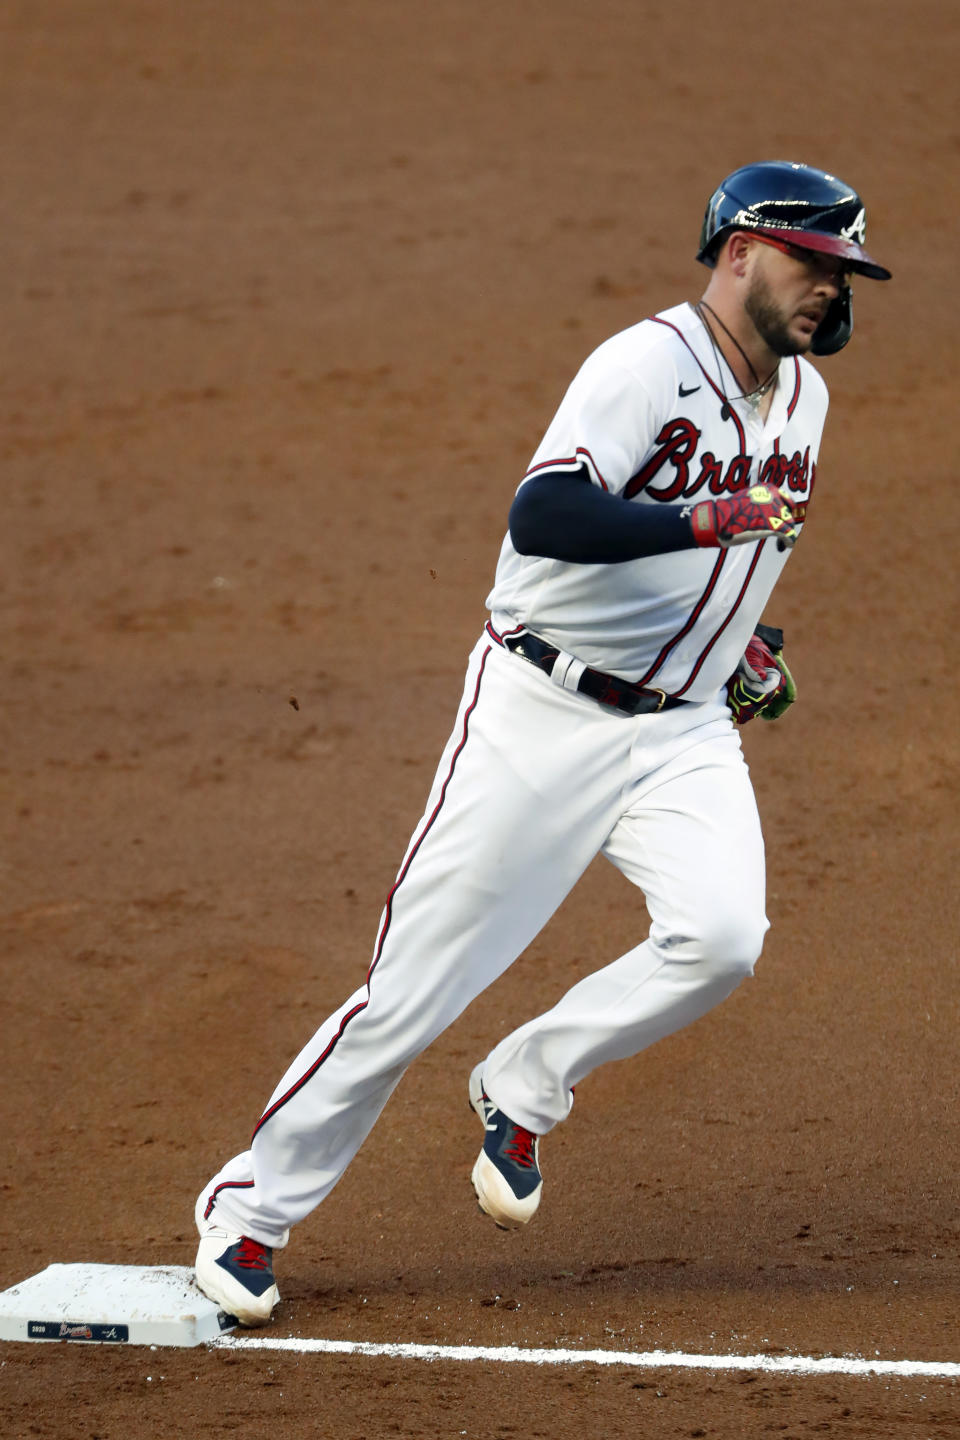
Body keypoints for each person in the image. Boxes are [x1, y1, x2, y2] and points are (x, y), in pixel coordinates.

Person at [193, 160, 891, 1325]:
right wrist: (701, 517)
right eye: (812, 262)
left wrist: (745, 643)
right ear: (739, 253)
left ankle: (528, 1078)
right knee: (413, 990)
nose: (831, 287)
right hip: (540, 714)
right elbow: (548, 513)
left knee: (721, 936)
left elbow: (734, 563)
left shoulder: (807, 401)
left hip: (683, 730)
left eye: (843, 270)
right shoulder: (642, 365)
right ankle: (249, 1211)